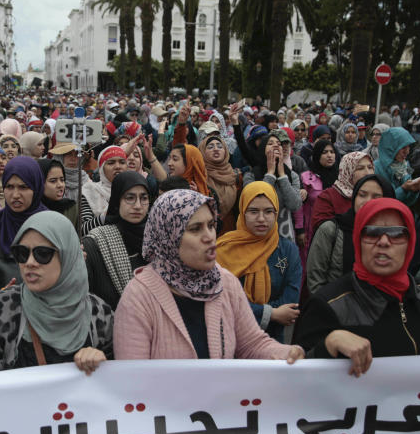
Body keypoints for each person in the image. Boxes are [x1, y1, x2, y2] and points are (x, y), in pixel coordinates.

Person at [113, 189, 304, 362]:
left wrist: (284, 353)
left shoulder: (225, 282)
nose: (209, 237)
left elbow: (252, 344)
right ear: (168, 237)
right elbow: (134, 379)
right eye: (195, 229)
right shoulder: (139, 297)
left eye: (211, 225)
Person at [294, 198, 420, 376]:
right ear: (357, 239)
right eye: (371, 233)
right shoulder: (328, 305)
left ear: (411, 241)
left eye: (396, 233)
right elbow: (298, 379)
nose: (383, 242)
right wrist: (328, 345)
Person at [0, 211, 113, 373]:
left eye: (43, 254)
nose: (30, 263)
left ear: (67, 255)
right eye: (22, 253)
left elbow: (116, 388)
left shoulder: (100, 314)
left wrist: (103, 363)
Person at [216, 182, 301, 343]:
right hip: (230, 339)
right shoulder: (223, 249)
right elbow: (223, 302)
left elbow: (290, 304)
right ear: (243, 212)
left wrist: (256, 312)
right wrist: (271, 314)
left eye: (268, 211)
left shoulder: (288, 250)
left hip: (273, 340)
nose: (261, 218)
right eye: (253, 211)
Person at [0, 156, 47, 304]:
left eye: (23, 187)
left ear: (36, 187)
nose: (15, 195)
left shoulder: (52, 224)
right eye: (9, 187)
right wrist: (1, 294)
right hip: (3, 314)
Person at [306, 174, 396, 294]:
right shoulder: (331, 229)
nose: (367, 201)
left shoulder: (394, 235)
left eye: (376, 197)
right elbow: (315, 280)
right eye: (362, 195)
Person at [82, 171, 150, 311]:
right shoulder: (96, 243)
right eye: (130, 198)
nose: (138, 205)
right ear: (117, 201)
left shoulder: (157, 238)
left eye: (143, 198)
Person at [310, 151, 373, 236]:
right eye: (360, 168)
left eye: (370, 167)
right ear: (348, 171)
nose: (367, 172)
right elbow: (322, 229)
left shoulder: (377, 195)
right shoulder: (328, 197)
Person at [297, 139, 338, 255]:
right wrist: (300, 229)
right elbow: (298, 206)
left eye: (332, 152)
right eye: (324, 152)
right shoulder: (306, 178)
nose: (329, 155)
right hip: (310, 231)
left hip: (335, 229)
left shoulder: (341, 178)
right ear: (317, 155)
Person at [80, 145, 127, 234]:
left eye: (122, 162)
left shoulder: (134, 190)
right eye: (111, 163)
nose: (117, 166)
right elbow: (83, 229)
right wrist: (105, 216)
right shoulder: (89, 191)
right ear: (102, 169)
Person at [374, 127, 420, 205]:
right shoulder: (375, 168)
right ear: (391, 147)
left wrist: (415, 189)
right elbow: (382, 201)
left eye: (408, 147)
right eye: (403, 147)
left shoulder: (404, 166)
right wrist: (404, 189)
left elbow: (407, 203)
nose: (407, 152)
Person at [38, 158, 80, 230]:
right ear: (39, 183)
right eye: (53, 181)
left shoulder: (70, 208)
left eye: (62, 180)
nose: (60, 185)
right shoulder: (31, 210)